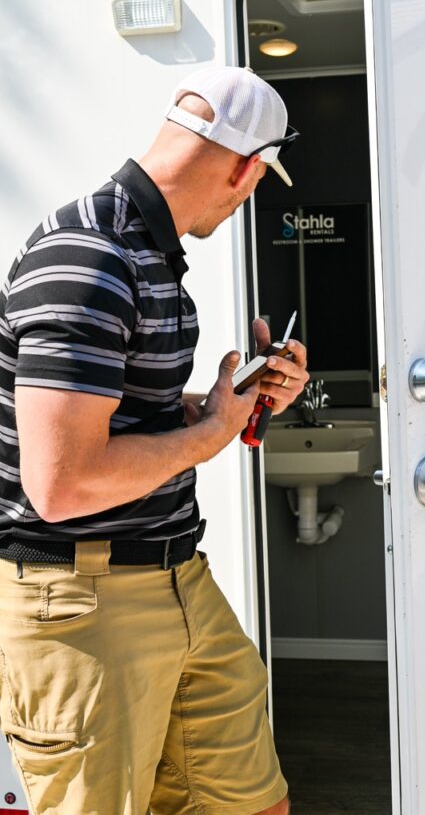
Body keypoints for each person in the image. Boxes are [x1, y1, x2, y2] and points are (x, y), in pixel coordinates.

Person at [0, 66, 308, 815]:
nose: (247, 199)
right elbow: (62, 483)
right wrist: (210, 434)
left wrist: (224, 402)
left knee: (252, 803)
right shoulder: (89, 257)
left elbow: (119, 413)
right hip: (79, 600)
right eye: (258, 181)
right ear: (244, 169)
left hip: (177, 576)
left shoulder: (150, 253)